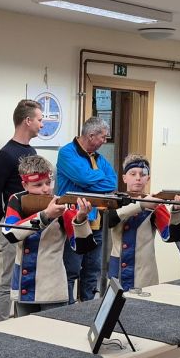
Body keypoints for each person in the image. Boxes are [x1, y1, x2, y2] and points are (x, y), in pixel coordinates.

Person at [3, 156, 94, 315]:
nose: (46, 189)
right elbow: (10, 233)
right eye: (38, 185)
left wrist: (80, 219)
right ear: (25, 185)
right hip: (24, 286)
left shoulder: (62, 204)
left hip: (52, 289)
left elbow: (82, 246)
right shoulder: (17, 200)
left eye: (48, 183)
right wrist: (45, 215)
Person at [0, 99, 42, 322]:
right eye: (39, 120)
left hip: (32, 226)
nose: (41, 124)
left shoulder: (32, 151)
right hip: (13, 226)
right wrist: (3, 220)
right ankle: (1, 326)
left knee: (25, 279)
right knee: (9, 279)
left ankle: (23, 323)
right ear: (27, 121)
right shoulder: (5, 155)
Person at [56, 116, 117, 301]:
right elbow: (84, 179)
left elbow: (112, 182)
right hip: (73, 222)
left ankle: (88, 311)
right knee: (71, 271)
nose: (105, 141)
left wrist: (89, 180)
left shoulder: (98, 157)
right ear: (91, 136)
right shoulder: (67, 152)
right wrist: (94, 178)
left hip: (95, 222)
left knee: (92, 271)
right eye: (103, 137)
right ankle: (66, 312)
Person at [107, 154, 180, 290]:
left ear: (148, 179)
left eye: (142, 174)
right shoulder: (114, 201)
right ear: (124, 178)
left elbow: (170, 236)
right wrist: (141, 205)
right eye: (133, 174)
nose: (138, 178)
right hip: (118, 274)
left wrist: (177, 212)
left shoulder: (156, 204)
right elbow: (108, 220)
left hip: (143, 277)